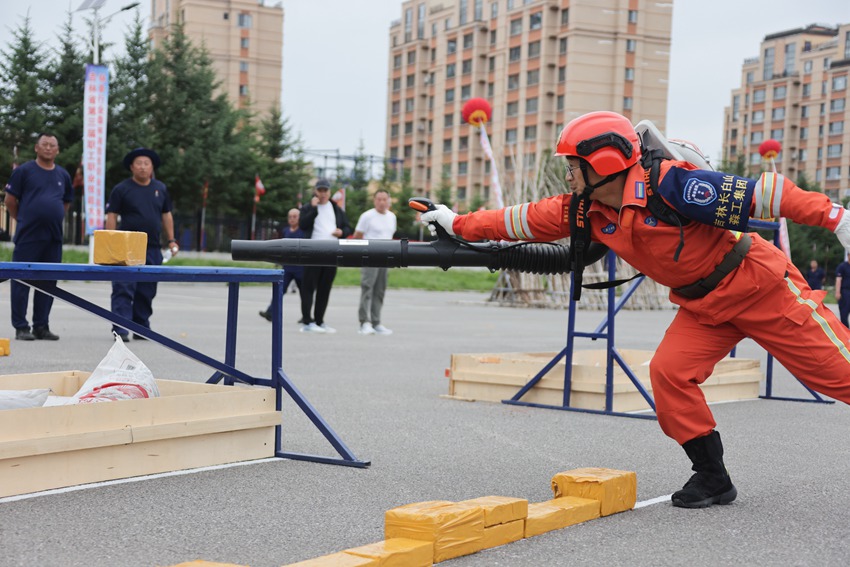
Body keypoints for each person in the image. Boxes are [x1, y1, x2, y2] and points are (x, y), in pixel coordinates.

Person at [421, 110, 850, 510]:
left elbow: (766, 195)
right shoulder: (588, 209)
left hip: (761, 287)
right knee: (669, 374)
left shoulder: (671, 185)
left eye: (572, 165)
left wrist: (837, 218)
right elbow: (523, 219)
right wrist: (456, 222)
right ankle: (713, 477)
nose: (567, 174)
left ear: (602, 163)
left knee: (839, 378)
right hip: (704, 305)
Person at [3, 133, 73, 341]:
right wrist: (23, 219)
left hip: (53, 237)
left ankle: (41, 326)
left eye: (53, 145)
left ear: (57, 150)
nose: (48, 148)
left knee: (48, 282)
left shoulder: (63, 175)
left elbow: (66, 203)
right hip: (28, 235)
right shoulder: (24, 171)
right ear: (36, 148)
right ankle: (21, 326)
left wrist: (52, 214)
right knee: (21, 280)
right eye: (45, 144)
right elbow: (10, 201)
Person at [105, 148, 178, 342]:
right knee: (123, 287)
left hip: (152, 247)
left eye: (147, 163)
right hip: (127, 247)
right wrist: (111, 241)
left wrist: (171, 240)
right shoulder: (121, 189)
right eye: (139, 163)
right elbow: (112, 215)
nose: (143, 167)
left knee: (147, 289)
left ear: (152, 167)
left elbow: (166, 215)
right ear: (132, 167)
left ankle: (141, 326)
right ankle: (120, 328)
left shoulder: (160, 189)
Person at [298, 178, 351, 333]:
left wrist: (342, 232)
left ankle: (320, 321)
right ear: (315, 191)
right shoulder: (308, 207)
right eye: (319, 190)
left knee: (325, 288)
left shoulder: (336, 209)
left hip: (331, 252)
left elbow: (348, 227)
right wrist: (314, 209)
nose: (322, 193)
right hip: (312, 251)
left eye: (325, 190)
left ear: (329, 192)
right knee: (308, 288)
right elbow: (302, 225)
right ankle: (307, 321)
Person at [353, 189, 397, 335]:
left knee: (380, 290)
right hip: (370, 255)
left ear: (389, 201)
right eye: (379, 199)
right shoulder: (367, 216)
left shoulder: (392, 217)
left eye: (385, 199)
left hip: (385, 257)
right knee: (367, 288)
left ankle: (376, 322)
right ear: (374, 200)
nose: (382, 202)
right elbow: (357, 235)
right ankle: (364, 322)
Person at [260, 208, 305, 322]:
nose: (292, 219)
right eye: (290, 217)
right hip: (287, 268)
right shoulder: (285, 231)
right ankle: (270, 312)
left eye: (295, 216)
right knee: (280, 289)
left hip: (301, 269)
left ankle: (307, 316)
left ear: (299, 218)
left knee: (305, 294)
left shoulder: (304, 231)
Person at [835, 253, 850, 326]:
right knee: (844, 313)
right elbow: (838, 279)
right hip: (845, 292)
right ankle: (846, 332)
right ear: (848, 256)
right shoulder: (842, 266)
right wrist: (837, 292)